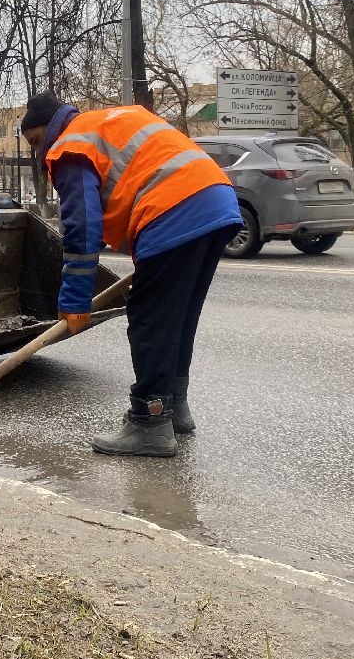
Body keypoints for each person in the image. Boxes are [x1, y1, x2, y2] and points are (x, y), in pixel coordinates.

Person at [21, 92, 243, 458]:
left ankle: (150, 421)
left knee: (149, 318)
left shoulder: (70, 146)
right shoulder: (107, 122)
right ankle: (174, 408)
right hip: (215, 199)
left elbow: (82, 227)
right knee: (176, 316)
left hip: (174, 207)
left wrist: (75, 300)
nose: (37, 151)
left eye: (34, 141)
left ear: (48, 128)